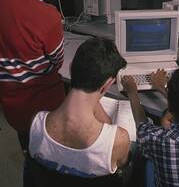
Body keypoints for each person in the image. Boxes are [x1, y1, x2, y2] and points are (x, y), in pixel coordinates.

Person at [29, 37, 130, 179]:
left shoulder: (36, 123)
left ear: (71, 69)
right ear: (107, 85)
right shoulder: (119, 139)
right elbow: (123, 167)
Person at [0, 0, 65, 151]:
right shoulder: (45, 15)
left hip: (14, 110)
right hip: (45, 111)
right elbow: (56, 63)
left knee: (30, 154)